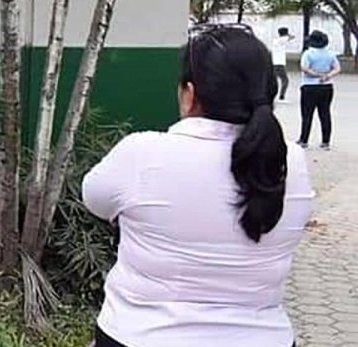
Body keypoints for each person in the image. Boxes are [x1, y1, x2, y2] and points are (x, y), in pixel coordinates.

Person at [82, 24, 314, 347]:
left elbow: (93, 198)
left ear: (190, 95)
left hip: (140, 337)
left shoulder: (141, 154)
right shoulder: (293, 165)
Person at [298, 29, 341, 151]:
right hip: (327, 87)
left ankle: (304, 140)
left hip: (309, 87)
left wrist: (316, 75)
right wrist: (326, 76)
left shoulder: (308, 53)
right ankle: (325, 141)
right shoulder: (330, 54)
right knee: (325, 113)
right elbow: (337, 68)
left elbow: (304, 68)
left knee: (307, 115)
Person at [270, 27, 294, 101]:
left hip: (274, 62)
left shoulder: (276, 40)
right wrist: (287, 34)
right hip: (279, 63)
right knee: (285, 80)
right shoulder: (282, 40)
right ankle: (282, 96)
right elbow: (292, 37)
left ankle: (271, 95)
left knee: (273, 80)